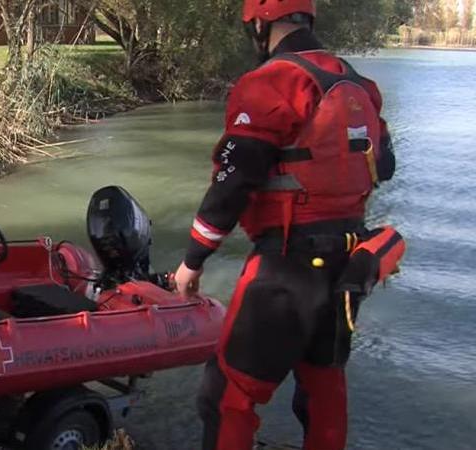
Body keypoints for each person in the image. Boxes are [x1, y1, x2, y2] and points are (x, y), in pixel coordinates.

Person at [172, 1, 398, 449]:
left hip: (288, 263)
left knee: (227, 396)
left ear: (261, 24)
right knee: (322, 388)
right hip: (349, 263)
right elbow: (385, 164)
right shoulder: (361, 86)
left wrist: (193, 260)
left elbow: (234, 177)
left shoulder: (272, 82)